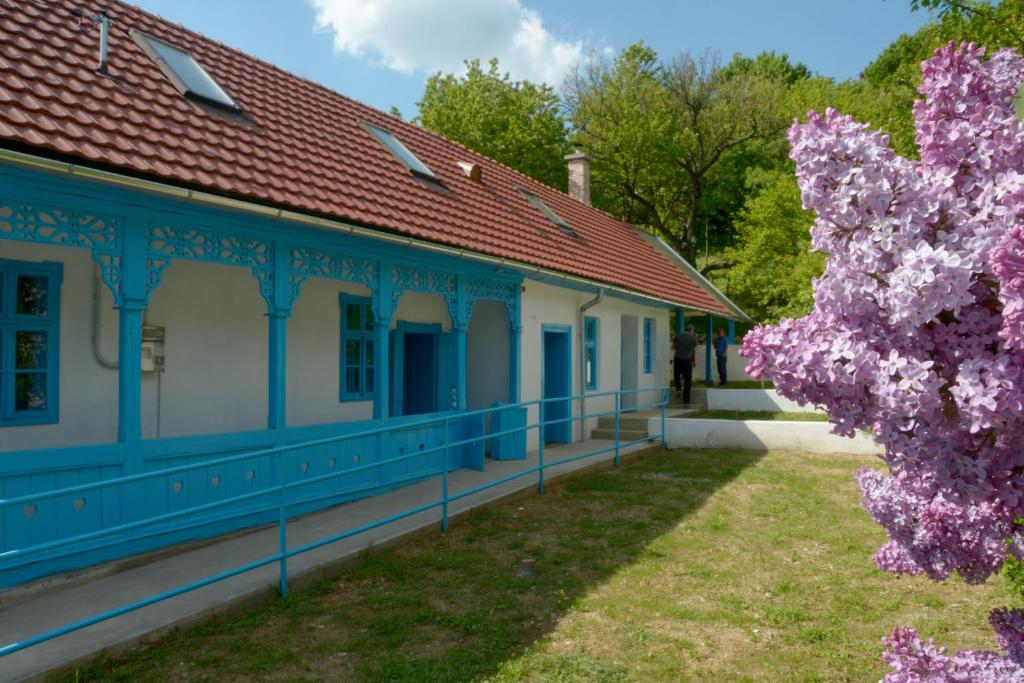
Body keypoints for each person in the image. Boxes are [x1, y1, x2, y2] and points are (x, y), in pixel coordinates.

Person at [672, 324, 697, 404]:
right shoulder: (692, 339)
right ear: (691, 330)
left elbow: (672, 347)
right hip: (687, 361)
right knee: (687, 380)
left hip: (678, 359)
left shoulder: (677, 336)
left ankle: (678, 389)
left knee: (676, 375)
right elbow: (694, 351)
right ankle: (686, 400)